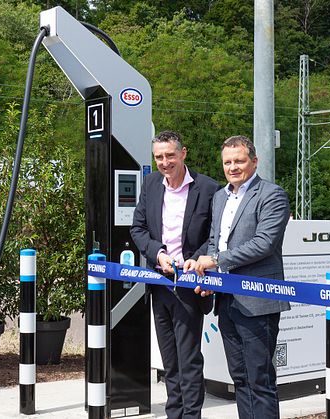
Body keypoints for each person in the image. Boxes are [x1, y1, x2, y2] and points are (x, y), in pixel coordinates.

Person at [185, 135, 291, 419]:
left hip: (259, 301)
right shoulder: (220, 197)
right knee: (240, 377)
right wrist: (208, 275)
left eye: (239, 161)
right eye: (228, 162)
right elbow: (213, 241)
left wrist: (216, 260)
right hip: (227, 300)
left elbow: (264, 243)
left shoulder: (272, 195)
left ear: (254, 162)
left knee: (260, 379)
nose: (233, 167)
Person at [130, 130, 219, 419]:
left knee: (188, 358)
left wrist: (195, 260)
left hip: (190, 282)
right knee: (170, 359)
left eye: (170, 155)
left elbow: (215, 236)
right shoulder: (152, 184)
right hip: (159, 282)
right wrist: (158, 253)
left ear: (183, 153)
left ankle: (191, 416)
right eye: (159, 157)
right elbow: (138, 229)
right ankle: (174, 414)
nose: (165, 162)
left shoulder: (208, 188)